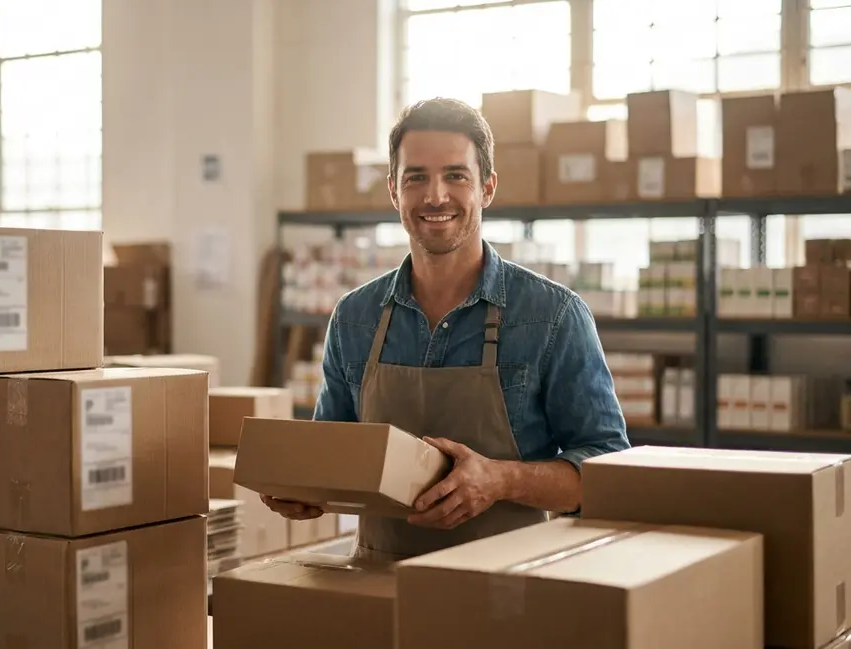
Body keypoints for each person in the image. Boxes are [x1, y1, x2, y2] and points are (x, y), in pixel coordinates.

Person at [261, 97, 630, 562]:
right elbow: (333, 458)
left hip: (508, 595)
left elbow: (606, 473)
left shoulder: (553, 316)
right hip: (380, 590)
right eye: (416, 178)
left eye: (456, 175)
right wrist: (302, 489)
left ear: (488, 188)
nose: (435, 196)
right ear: (394, 191)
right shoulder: (354, 318)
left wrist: (501, 480)